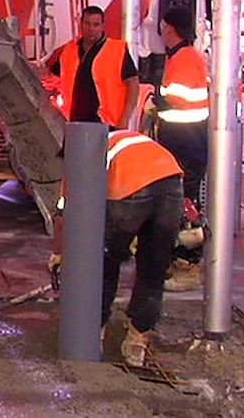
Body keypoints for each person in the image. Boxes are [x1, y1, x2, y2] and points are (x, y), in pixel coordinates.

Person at [49, 130, 184, 366]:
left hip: (132, 192)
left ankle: (92, 332)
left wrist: (58, 254)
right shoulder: (129, 138)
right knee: (154, 268)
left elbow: (64, 214)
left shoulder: (83, 152)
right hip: (171, 185)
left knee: (102, 262)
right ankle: (137, 340)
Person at [155, 6, 210, 292]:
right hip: (185, 142)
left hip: (185, 143)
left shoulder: (184, 58)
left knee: (186, 209)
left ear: (169, 27)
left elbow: (180, 99)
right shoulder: (185, 56)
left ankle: (188, 267)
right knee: (181, 207)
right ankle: (180, 263)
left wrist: (160, 101)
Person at [41, 5, 140, 129]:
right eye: (87, 24)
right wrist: (35, 71)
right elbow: (51, 77)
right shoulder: (69, 50)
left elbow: (133, 84)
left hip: (107, 124)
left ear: (103, 26)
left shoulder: (116, 50)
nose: (91, 29)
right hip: (73, 123)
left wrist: (125, 118)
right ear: (81, 24)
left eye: (96, 25)